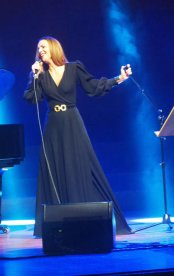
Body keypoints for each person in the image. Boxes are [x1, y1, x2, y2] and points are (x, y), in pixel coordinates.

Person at [23, 36, 133, 236]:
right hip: (53, 126)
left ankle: (94, 219)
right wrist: (35, 78)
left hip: (72, 121)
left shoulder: (74, 68)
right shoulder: (41, 75)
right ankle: (57, 224)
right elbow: (32, 99)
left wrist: (119, 79)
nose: (40, 50)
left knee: (81, 165)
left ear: (54, 48)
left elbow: (93, 86)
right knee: (54, 169)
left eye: (44, 47)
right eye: (38, 48)